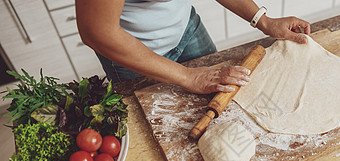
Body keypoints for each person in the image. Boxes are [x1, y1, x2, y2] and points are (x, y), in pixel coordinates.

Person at [75, 0, 310, 94]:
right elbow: (97, 33)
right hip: (132, 54)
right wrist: (188, 77)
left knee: (223, 93)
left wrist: (264, 21)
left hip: (187, 29)